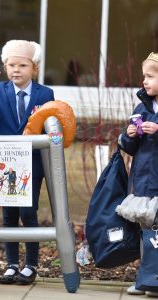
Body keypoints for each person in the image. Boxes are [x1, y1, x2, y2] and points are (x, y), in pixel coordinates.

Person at [0, 40, 54, 285]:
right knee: (8, 215)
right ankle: (11, 264)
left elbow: (49, 122)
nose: (16, 69)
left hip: (31, 161)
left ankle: (30, 264)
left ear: (34, 68)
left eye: (22, 65)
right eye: (11, 65)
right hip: (5, 162)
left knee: (28, 213)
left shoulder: (44, 93)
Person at [115, 52, 158, 297]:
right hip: (144, 181)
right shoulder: (141, 107)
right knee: (146, 231)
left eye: (150, 76)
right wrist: (129, 135)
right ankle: (145, 278)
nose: (144, 81)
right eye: (144, 76)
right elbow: (130, 148)